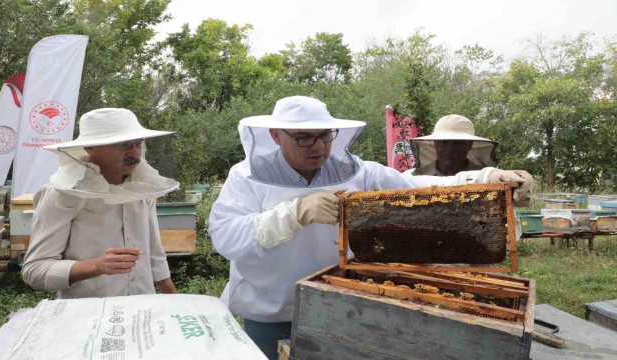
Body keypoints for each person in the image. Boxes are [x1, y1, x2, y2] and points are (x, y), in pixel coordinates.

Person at [208, 96, 533, 359]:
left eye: (324, 135)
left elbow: (415, 187)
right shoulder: (245, 177)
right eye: (304, 137)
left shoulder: (355, 171)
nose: (318, 146)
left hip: (344, 305)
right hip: (271, 313)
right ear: (275, 136)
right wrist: (294, 213)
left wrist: (484, 179)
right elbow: (226, 237)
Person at [22, 108, 179, 299]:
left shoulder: (143, 187)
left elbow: (154, 253)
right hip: (88, 317)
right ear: (91, 148)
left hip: (142, 309)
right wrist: (96, 266)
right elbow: (34, 270)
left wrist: (173, 299)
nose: (135, 153)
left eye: (138, 144)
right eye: (124, 145)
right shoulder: (62, 194)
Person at [406, 114, 532, 206]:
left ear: (470, 145)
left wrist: (520, 182)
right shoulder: (411, 177)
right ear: (434, 144)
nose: (450, 150)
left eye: (457, 143)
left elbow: (512, 197)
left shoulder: (488, 177)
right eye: (444, 143)